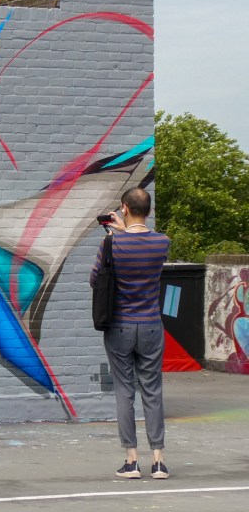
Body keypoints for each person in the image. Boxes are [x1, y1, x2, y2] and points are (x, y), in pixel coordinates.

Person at [90, 187, 170, 479]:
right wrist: (125, 230)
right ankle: (158, 461)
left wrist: (118, 233)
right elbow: (143, 246)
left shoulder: (111, 243)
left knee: (125, 392)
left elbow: (95, 280)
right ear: (149, 210)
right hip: (151, 325)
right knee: (153, 391)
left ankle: (132, 461)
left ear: (123, 208)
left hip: (120, 326)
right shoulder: (162, 242)